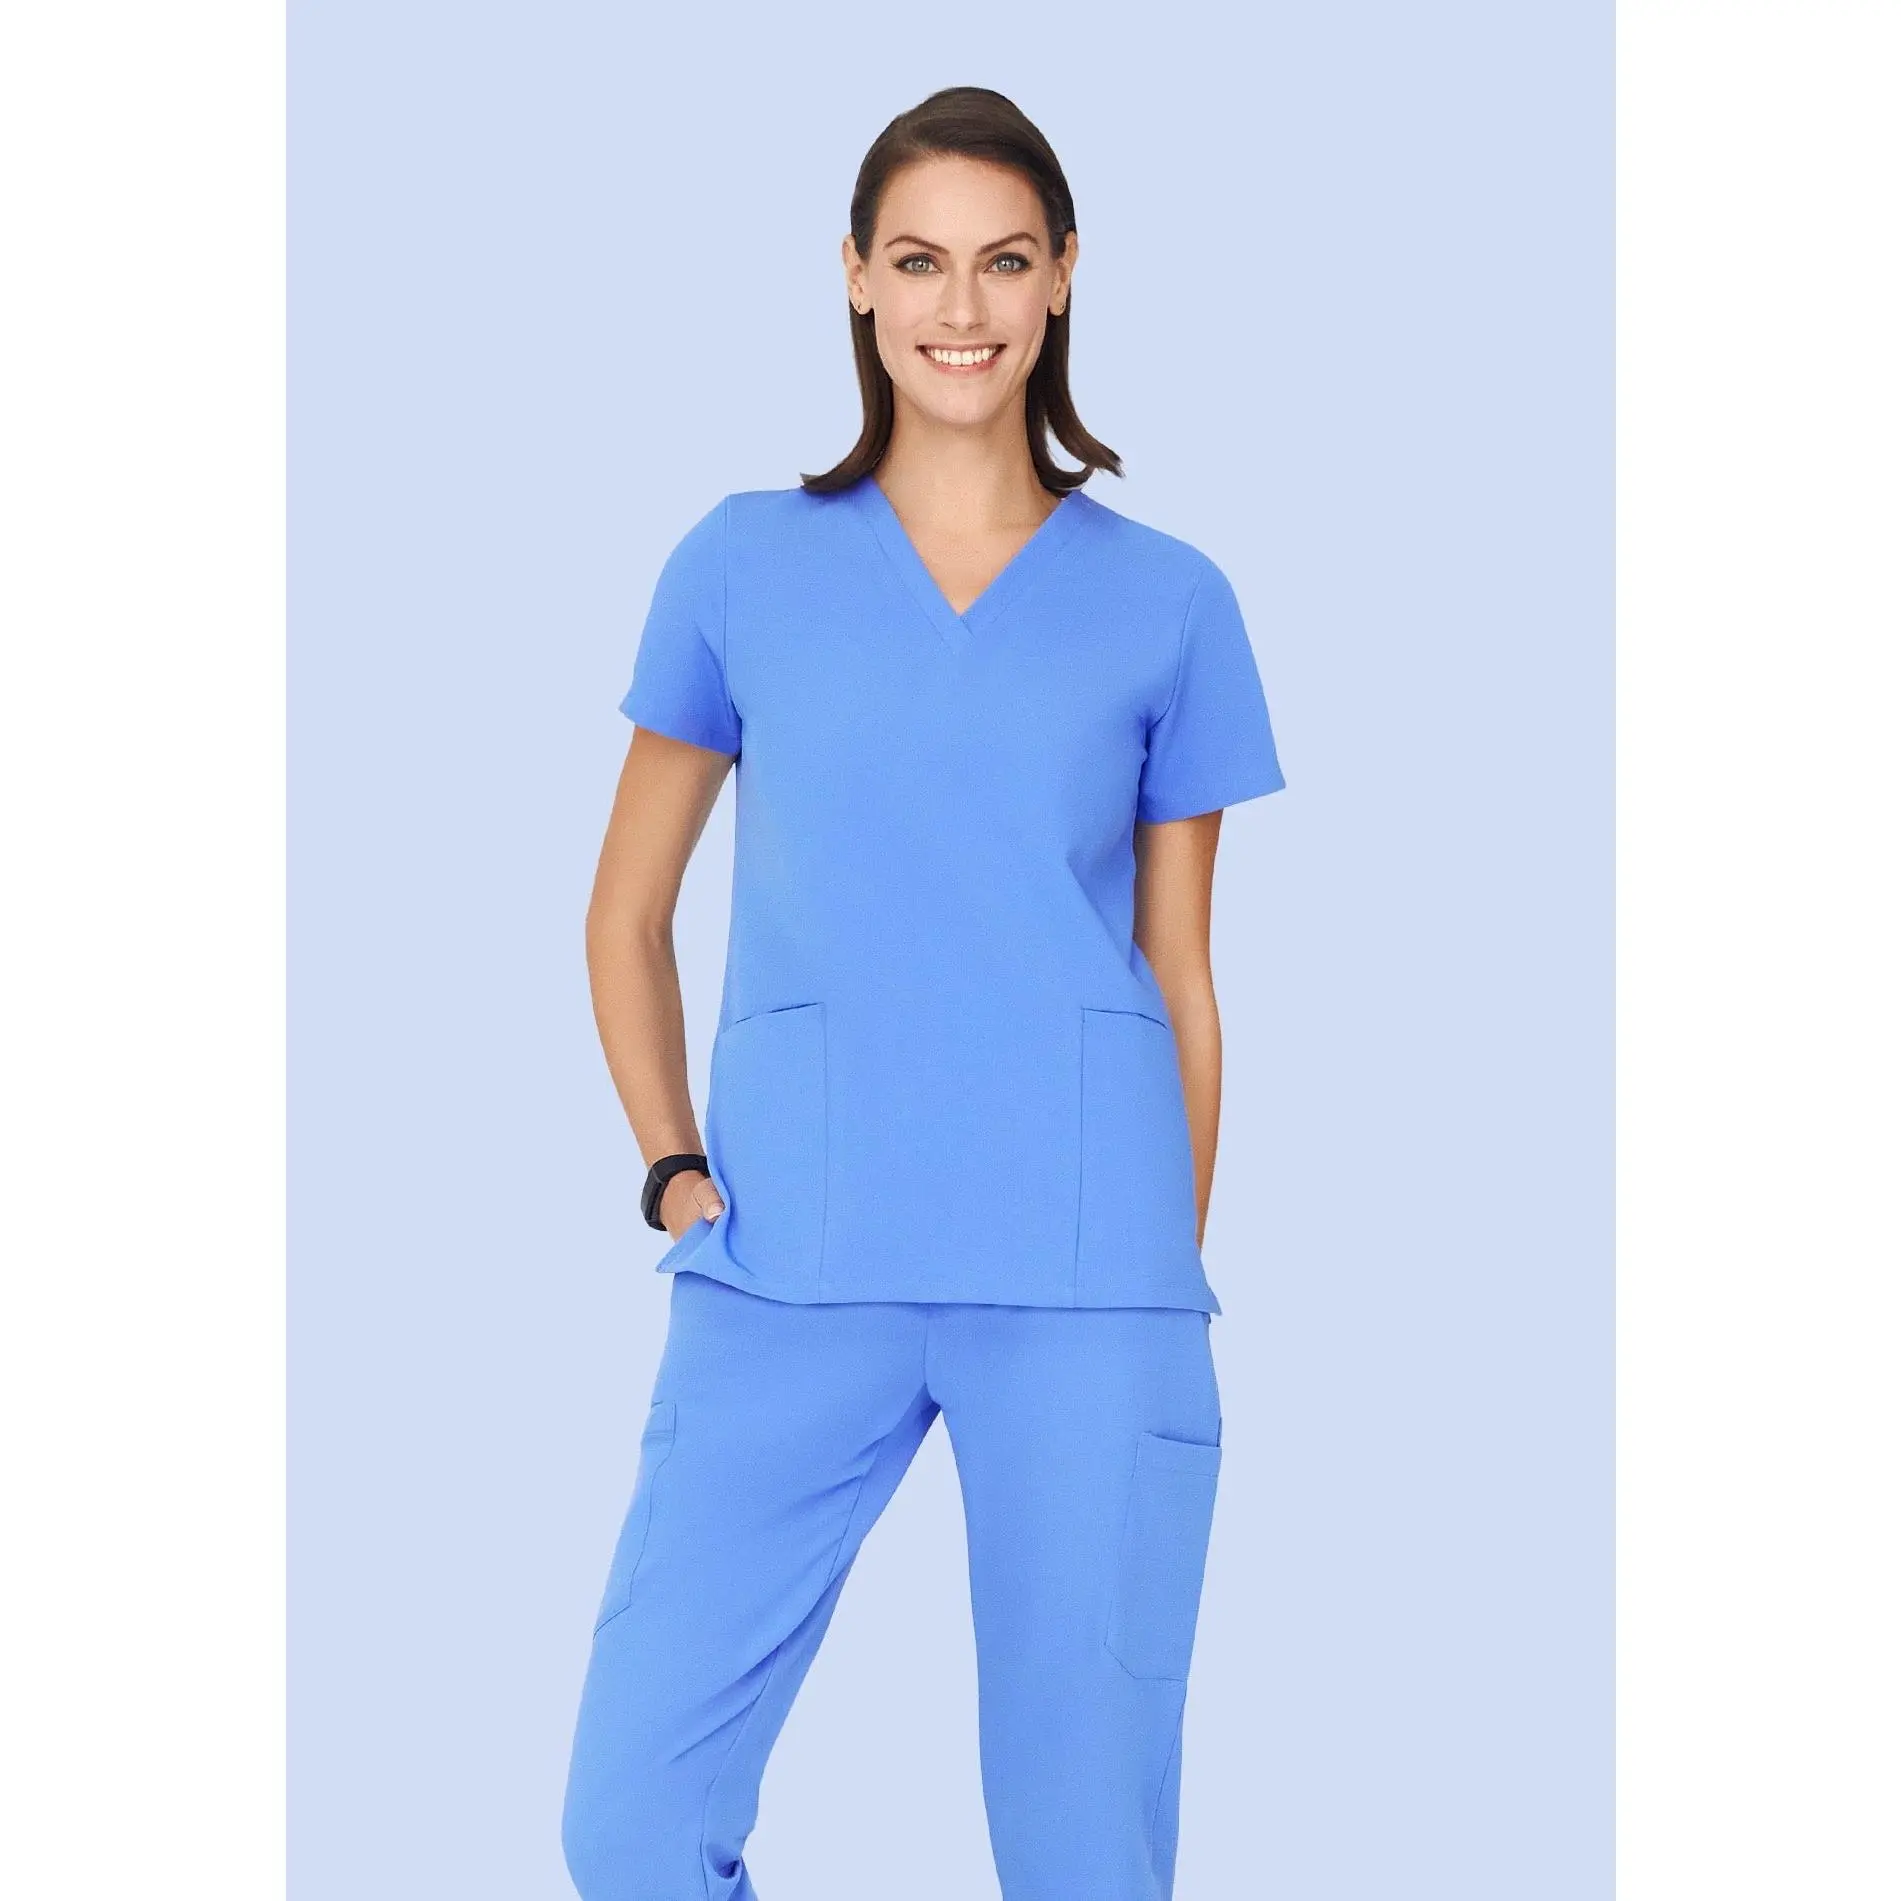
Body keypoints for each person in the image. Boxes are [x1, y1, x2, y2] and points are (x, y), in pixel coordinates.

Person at [561, 84, 1287, 1901]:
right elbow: (626, 912)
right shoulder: (741, 564)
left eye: (1003, 262)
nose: (961, 307)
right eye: (919, 262)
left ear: (1062, 280)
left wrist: (1152, 1266)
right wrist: (672, 1167)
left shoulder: (1170, 601)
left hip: (1089, 1284)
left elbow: (1183, 975)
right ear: (856, 280)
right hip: (790, 1259)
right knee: (632, 1826)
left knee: (1084, 1856)